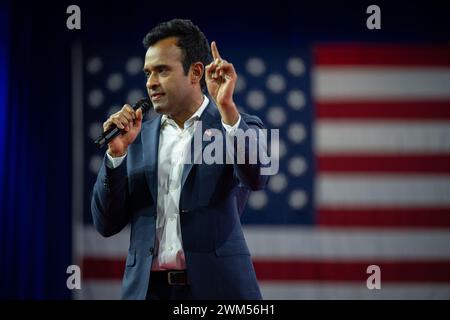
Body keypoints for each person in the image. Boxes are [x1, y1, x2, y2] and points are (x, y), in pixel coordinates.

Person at [91, 18, 269, 300]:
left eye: (162, 71)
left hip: (218, 290)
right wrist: (115, 155)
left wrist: (228, 110)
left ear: (195, 72)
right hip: (147, 291)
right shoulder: (133, 139)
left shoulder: (237, 126)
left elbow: (258, 177)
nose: (150, 83)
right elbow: (105, 224)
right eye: (148, 73)